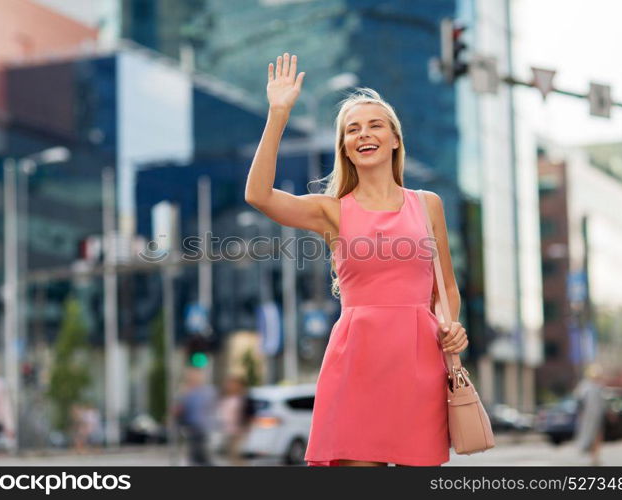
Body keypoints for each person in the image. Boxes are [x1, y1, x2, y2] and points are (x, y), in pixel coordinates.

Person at [244, 53, 468, 467]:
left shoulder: (428, 205)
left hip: (420, 362)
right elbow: (259, 195)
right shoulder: (333, 210)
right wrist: (278, 114)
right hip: (356, 362)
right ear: (344, 146)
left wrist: (450, 325)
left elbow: (446, 288)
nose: (364, 134)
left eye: (375, 125)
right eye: (352, 129)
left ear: (395, 139)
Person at [173, 367, 217, 466]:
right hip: (190, 427)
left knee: (202, 455)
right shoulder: (184, 392)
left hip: (204, 428)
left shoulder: (208, 391)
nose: (192, 378)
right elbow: (178, 409)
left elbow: (213, 409)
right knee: (194, 456)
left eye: (195, 376)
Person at [573, 363, 607, 466]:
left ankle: (595, 457)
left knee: (597, 436)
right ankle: (588, 454)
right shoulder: (585, 387)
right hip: (587, 416)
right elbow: (580, 401)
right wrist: (581, 413)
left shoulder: (599, 387)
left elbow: (602, 403)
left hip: (598, 416)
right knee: (588, 435)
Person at [217, 375, 251, 465]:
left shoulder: (243, 398)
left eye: (233, 384)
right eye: (229, 384)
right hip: (227, 430)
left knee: (235, 454)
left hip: (239, 431)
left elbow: (248, 415)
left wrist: (244, 426)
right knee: (230, 455)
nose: (230, 386)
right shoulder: (225, 397)